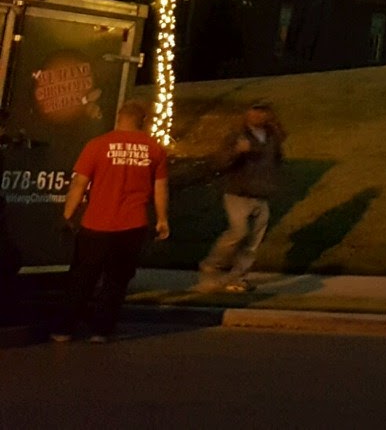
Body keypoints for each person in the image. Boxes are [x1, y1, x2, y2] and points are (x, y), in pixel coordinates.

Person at [55, 100, 169, 343]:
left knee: (81, 279)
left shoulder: (97, 145)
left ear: (119, 119)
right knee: (116, 281)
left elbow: (79, 184)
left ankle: (64, 330)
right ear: (143, 121)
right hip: (132, 225)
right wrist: (162, 219)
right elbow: (160, 188)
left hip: (96, 224)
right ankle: (101, 331)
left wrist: (68, 216)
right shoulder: (154, 149)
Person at [197, 99, 285, 293]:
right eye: (254, 111)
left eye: (262, 111)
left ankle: (238, 278)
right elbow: (219, 162)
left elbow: (276, 161)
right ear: (246, 113)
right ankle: (212, 266)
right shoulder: (237, 136)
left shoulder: (272, 137)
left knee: (253, 242)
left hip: (262, 194)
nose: (258, 115)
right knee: (238, 233)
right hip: (238, 193)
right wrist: (236, 151)